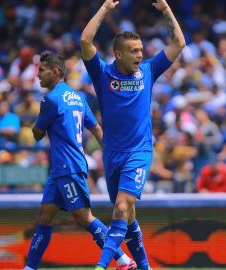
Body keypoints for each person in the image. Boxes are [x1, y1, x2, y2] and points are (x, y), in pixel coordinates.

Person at [81, 0, 185, 269]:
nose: (140, 55)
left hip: (139, 152)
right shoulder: (103, 75)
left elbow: (178, 44)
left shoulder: (148, 71)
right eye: (133, 51)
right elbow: (85, 41)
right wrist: (104, 8)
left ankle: (101, 265)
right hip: (112, 154)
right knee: (126, 217)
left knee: (123, 207)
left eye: (141, 50)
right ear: (118, 54)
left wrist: (165, 10)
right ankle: (144, 266)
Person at [24, 51, 135, 270]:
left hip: (68, 167)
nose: (38, 75)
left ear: (56, 71)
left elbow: (37, 133)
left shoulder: (51, 99)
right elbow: (96, 128)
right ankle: (30, 268)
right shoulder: (78, 98)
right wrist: (113, 154)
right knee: (44, 217)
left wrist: (36, 125)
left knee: (85, 218)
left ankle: (123, 260)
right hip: (62, 169)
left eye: (42, 70)